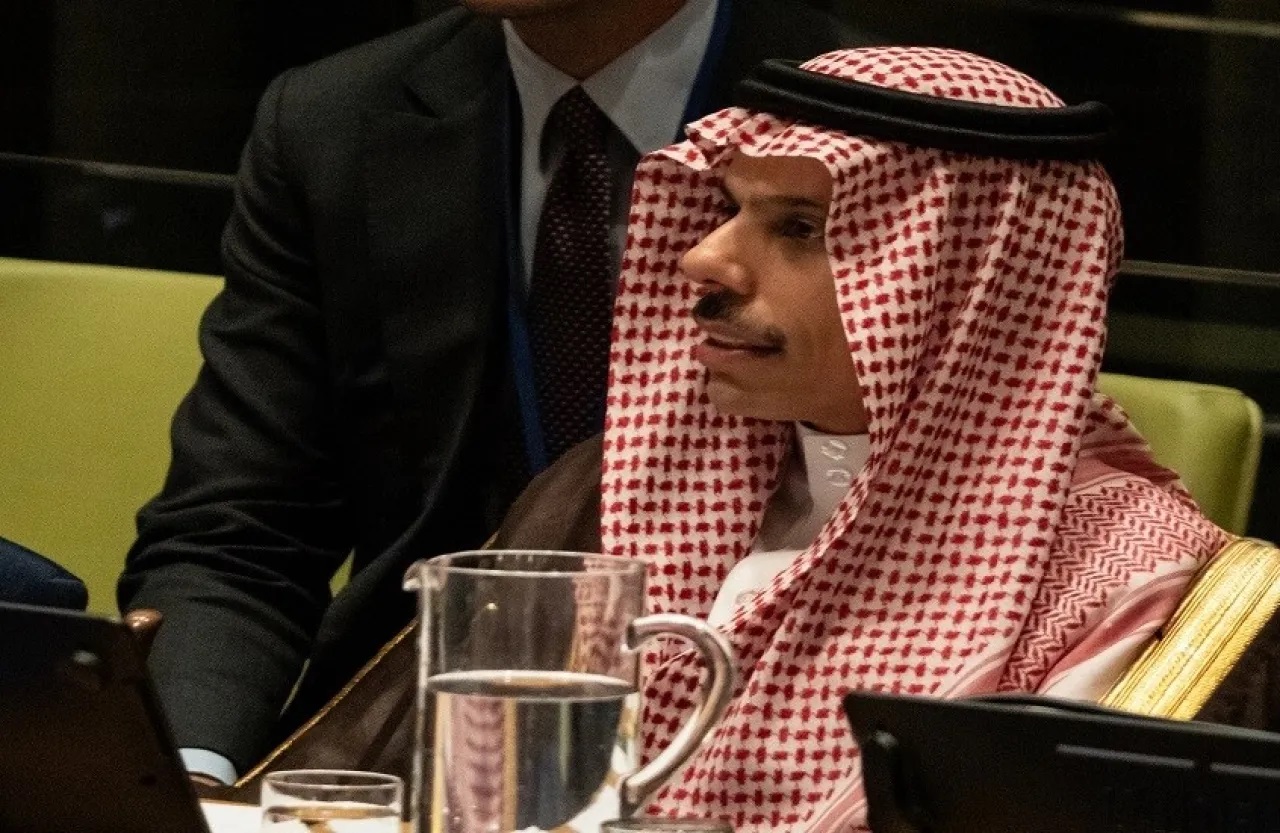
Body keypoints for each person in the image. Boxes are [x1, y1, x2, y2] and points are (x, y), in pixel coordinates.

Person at [219, 46, 1252, 830]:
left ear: (963, 279)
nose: (704, 260)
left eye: (797, 228)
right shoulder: (618, 483)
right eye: (727, 210)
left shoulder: (1130, 585)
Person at [117, 0, 862, 786]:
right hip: (409, 735)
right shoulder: (333, 119)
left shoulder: (884, 117)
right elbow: (243, 525)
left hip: (776, 734)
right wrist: (186, 779)